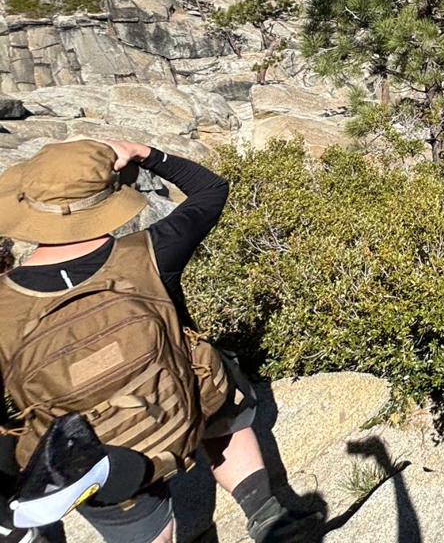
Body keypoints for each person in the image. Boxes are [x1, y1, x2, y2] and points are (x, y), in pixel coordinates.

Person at [0, 139, 319, 543]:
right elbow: (211, 189)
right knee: (213, 376)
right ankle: (266, 515)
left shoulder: (6, 306)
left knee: (146, 527)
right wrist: (145, 153)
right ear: (109, 196)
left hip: (97, 454)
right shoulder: (150, 251)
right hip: (181, 405)